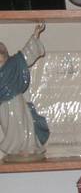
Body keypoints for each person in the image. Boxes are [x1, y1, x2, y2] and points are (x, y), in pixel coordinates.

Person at [0, 22, 50, 161]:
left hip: (16, 100)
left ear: (4, 54)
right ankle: (14, 149)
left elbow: (27, 52)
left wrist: (36, 34)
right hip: (2, 105)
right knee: (8, 126)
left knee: (21, 123)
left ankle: (27, 147)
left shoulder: (13, 63)